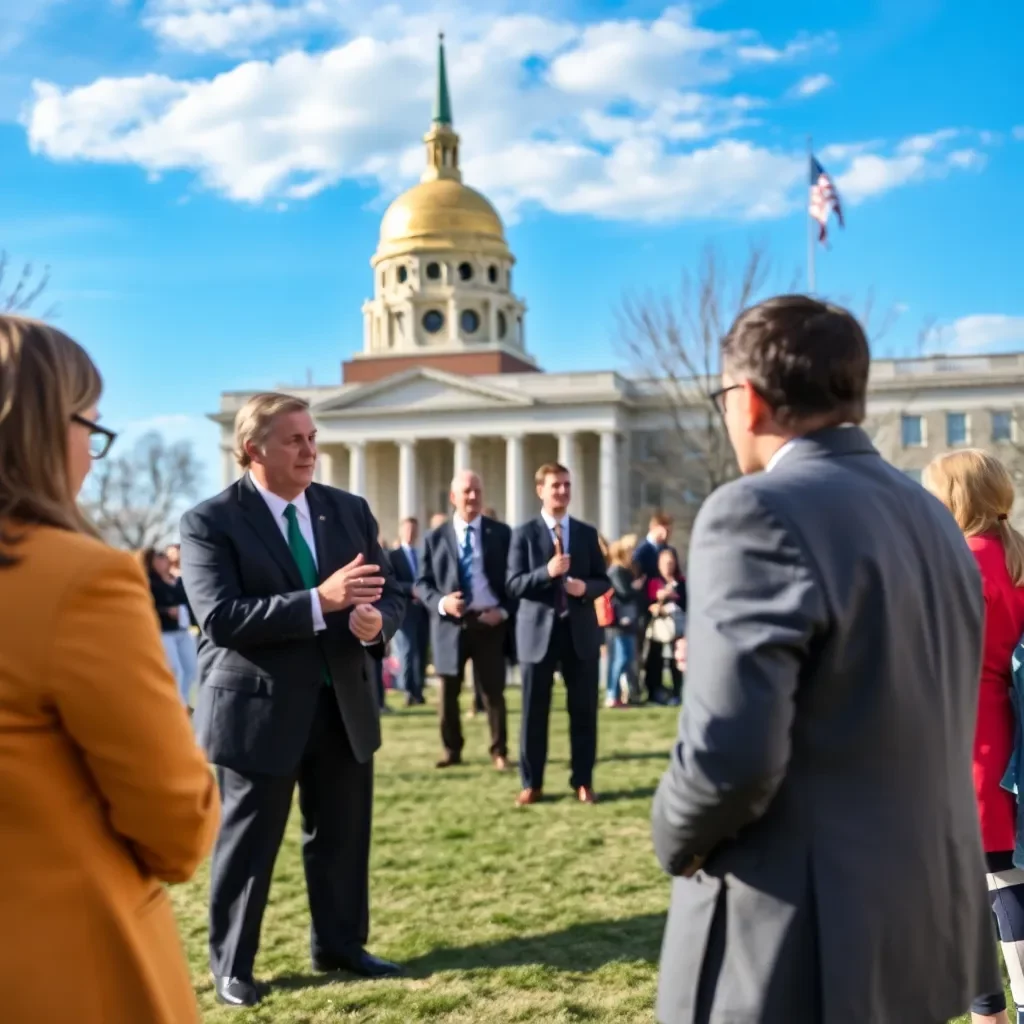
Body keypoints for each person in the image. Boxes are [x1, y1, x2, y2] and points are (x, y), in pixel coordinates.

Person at [651, 295, 997, 1024]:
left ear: (747, 401)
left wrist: (670, 836)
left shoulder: (753, 511)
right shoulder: (934, 517)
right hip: (921, 921)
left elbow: (731, 759)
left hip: (798, 935)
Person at [0, 316, 219, 1024]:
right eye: (89, 428)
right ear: (35, 426)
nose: (93, 456)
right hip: (63, 968)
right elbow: (175, 827)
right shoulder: (81, 581)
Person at [180, 391, 407, 1008]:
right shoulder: (209, 522)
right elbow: (221, 617)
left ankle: (340, 946)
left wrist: (375, 623)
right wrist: (321, 602)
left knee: (341, 837)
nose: (311, 450)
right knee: (250, 846)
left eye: (312, 437)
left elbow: (393, 594)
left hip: (343, 706)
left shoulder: (348, 510)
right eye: (295, 440)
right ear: (253, 449)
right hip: (259, 712)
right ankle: (233, 966)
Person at [924, 450, 1024, 1024]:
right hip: (1015, 738)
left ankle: (989, 1015)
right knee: (1007, 878)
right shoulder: (1017, 556)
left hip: (971, 742)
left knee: (978, 889)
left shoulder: (958, 565)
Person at [507, 462, 609, 806]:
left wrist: (585, 588)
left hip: (578, 633)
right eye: (556, 486)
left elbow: (603, 580)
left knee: (583, 712)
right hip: (537, 636)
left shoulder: (584, 532)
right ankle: (531, 783)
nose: (562, 492)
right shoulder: (523, 534)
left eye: (567, 485)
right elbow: (514, 583)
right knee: (534, 713)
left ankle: (583, 781)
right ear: (540, 490)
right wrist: (545, 572)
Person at [416, 470, 513, 769]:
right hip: (450, 625)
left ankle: (499, 751)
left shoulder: (501, 534)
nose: (473, 497)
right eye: (467, 491)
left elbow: (515, 581)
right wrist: (443, 603)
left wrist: (504, 610)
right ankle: (452, 750)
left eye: (477, 491)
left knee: (493, 692)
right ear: (453, 497)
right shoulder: (435, 538)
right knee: (448, 693)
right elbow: (421, 584)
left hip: (489, 623)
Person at [141, 546, 199, 707]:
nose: (163, 561)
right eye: (158, 558)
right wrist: (166, 611)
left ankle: (185, 704)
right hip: (164, 632)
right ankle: (175, 706)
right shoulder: (150, 583)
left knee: (192, 670)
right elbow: (146, 607)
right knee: (175, 670)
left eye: (164, 557)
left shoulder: (177, 580)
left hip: (183, 629)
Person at [388, 517, 428, 706]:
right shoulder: (393, 556)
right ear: (401, 531)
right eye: (408, 530)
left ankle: (419, 691)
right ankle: (408, 690)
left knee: (421, 650)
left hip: (423, 610)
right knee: (407, 650)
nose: (411, 534)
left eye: (414, 530)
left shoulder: (422, 554)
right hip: (405, 610)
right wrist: (411, 589)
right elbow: (391, 582)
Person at [604, 536, 645, 707]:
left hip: (628, 621)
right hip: (620, 622)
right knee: (620, 658)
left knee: (627, 658)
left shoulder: (625, 571)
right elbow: (624, 593)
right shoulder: (616, 571)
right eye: (630, 551)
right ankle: (612, 695)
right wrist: (636, 587)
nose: (633, 554)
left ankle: (621, 695)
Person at [643, 547, 685, 706]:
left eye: (671, 563)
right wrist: (655, 605)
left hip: (677, 627)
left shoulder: (681, 582)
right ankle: (654, 693)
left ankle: (677, 692)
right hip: (658, 630)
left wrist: (674, 597)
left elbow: (686, 602)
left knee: (677, 661)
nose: (668, 566)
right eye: (665, 563)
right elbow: (646, 602)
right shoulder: (653, 582)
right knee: (655, 660)